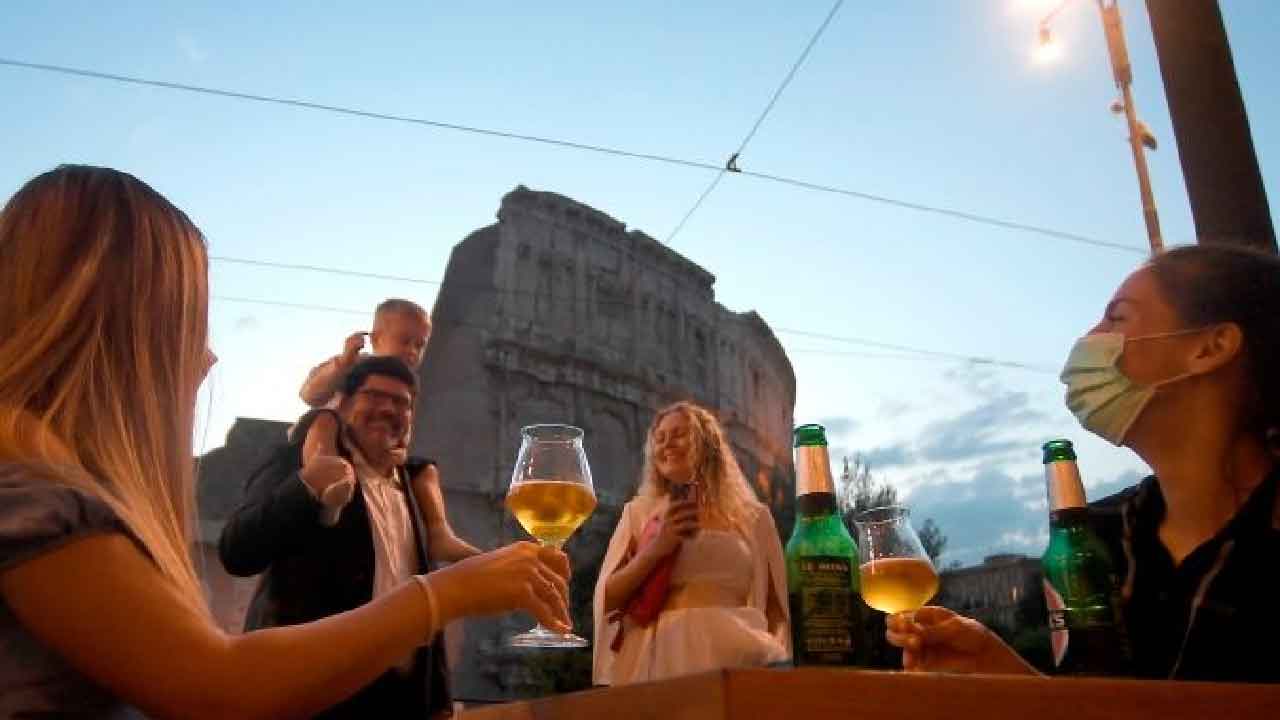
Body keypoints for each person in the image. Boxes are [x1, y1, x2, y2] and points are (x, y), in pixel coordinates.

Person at [0, 165, 571, 719]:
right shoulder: (35, 499)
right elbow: (236, 570)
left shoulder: (416, 480)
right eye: (188, 324)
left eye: (405, 403)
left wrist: (492, 576)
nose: (207, 358)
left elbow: (441, 548)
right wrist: (313, 492)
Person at [887, 244, 1280, 683]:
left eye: (1117, 318)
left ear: (1211, 347)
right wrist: (1003, 672)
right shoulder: (1104, 533)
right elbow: (1108, 709)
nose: (1089, 338)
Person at [221, 355, 466, 717]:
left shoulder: (415, 491)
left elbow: (425, 607)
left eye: (401, 402)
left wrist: (438, 702)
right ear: (344, 405)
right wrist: (306, 487)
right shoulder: (297, 461)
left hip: (398, 705)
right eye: (374, 395)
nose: (387, 408)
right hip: (309, 699)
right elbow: (237, 551)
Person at [593, 401, 790, 686]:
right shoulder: (637, 513)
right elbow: (607, 598)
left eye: (679, 434)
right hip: (659, 658)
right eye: (659, 438)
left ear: (707, 442)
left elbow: (776, 608)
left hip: (739, 652)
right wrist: (657, 548)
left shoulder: (755, 518)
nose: (667, 444)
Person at [297, 300, 478, 563]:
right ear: (377, 338)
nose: (412, 352)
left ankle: (439, 532)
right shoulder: (354, 365)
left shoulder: (407, 389)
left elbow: (402, 434)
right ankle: (328, 485)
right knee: (324, 421)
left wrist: (398, 454)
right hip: (334, 442)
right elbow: (309, 393)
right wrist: (342, 362)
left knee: (426, 470)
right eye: (405, 341)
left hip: (377, 459)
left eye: (420, 345)